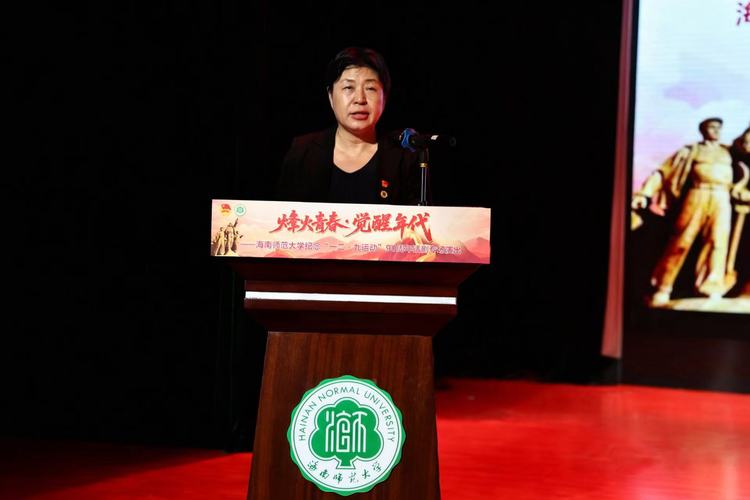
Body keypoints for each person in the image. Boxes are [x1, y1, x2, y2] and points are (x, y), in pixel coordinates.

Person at [274, 47, 421, 205]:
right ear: (331, 96)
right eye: (348, 88)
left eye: (370, 88)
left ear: (384, 98)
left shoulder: (404, 156)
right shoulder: (303, 151)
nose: (360, 99)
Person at [631, 118, 736, 306]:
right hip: (698, 193)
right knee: (682, 240)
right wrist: (644, 193)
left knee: (718, 242)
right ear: (703, 130)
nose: (716, 131)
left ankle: (710, 288)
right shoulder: (691, 150)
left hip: (722, 197)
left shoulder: (728, 151)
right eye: (712, 127)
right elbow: (663, 172)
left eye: (719, 128)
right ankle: (662, 286)